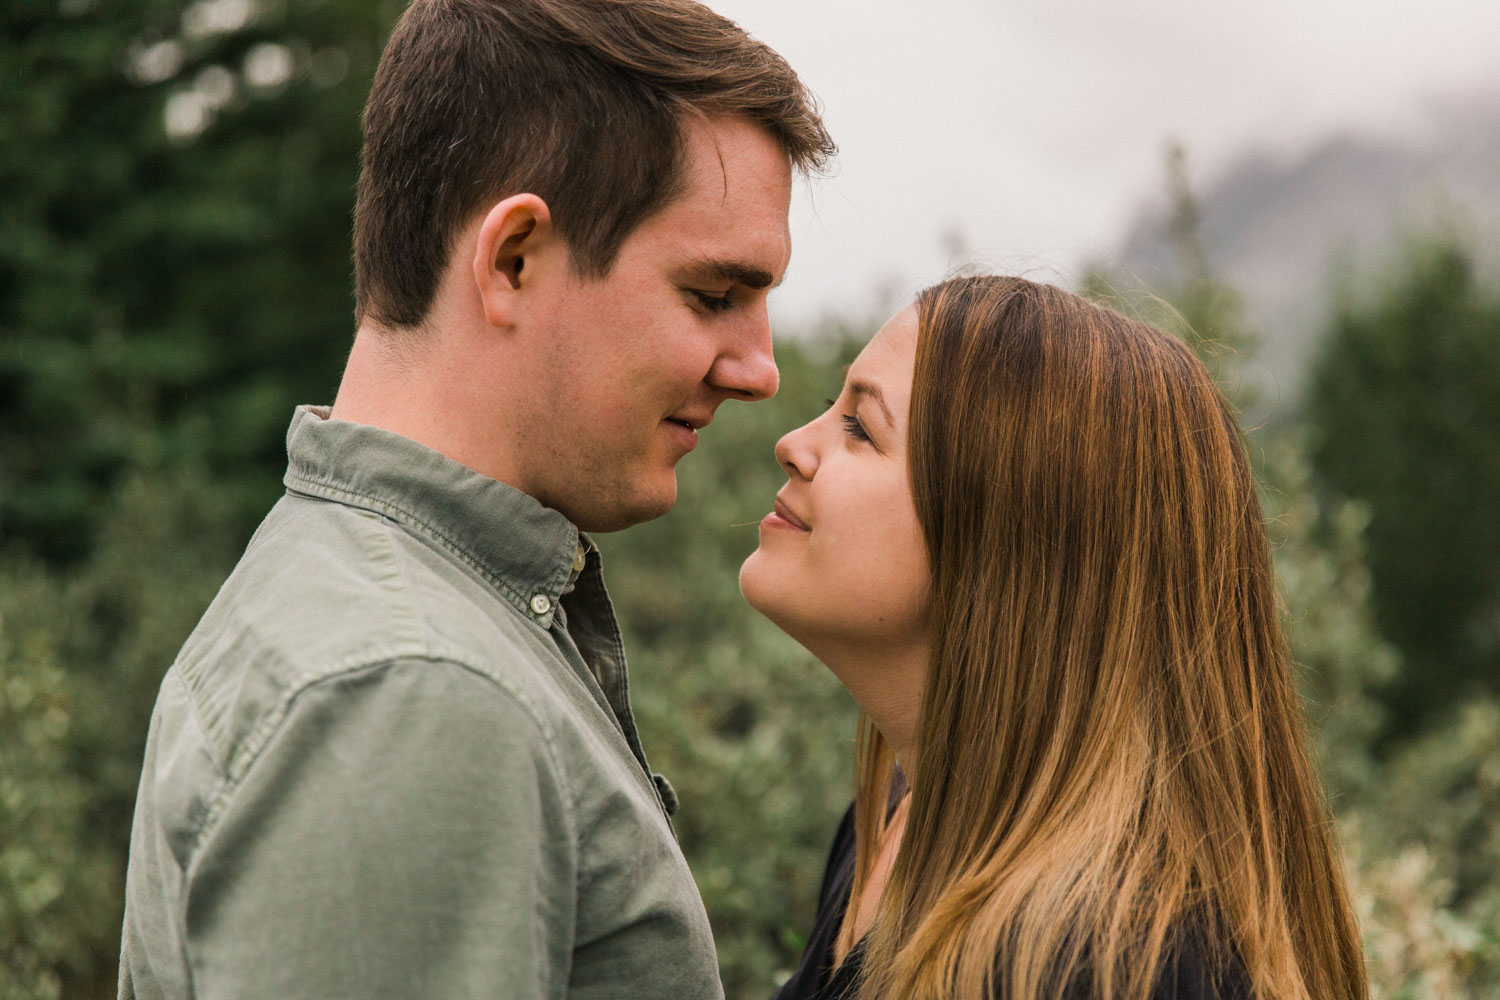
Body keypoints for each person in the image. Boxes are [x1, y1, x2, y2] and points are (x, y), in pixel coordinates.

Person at [117, 1, 833, 997]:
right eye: (713, 295)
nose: (761, 370)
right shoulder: (410, 690)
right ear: (514, 259)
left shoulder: (366, 607)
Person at [740, 276, 1369, 1000]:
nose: (793, 445)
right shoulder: (892, 825)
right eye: (831, 410)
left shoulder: (1103, 961)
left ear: (1006, 540)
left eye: (860, 428)